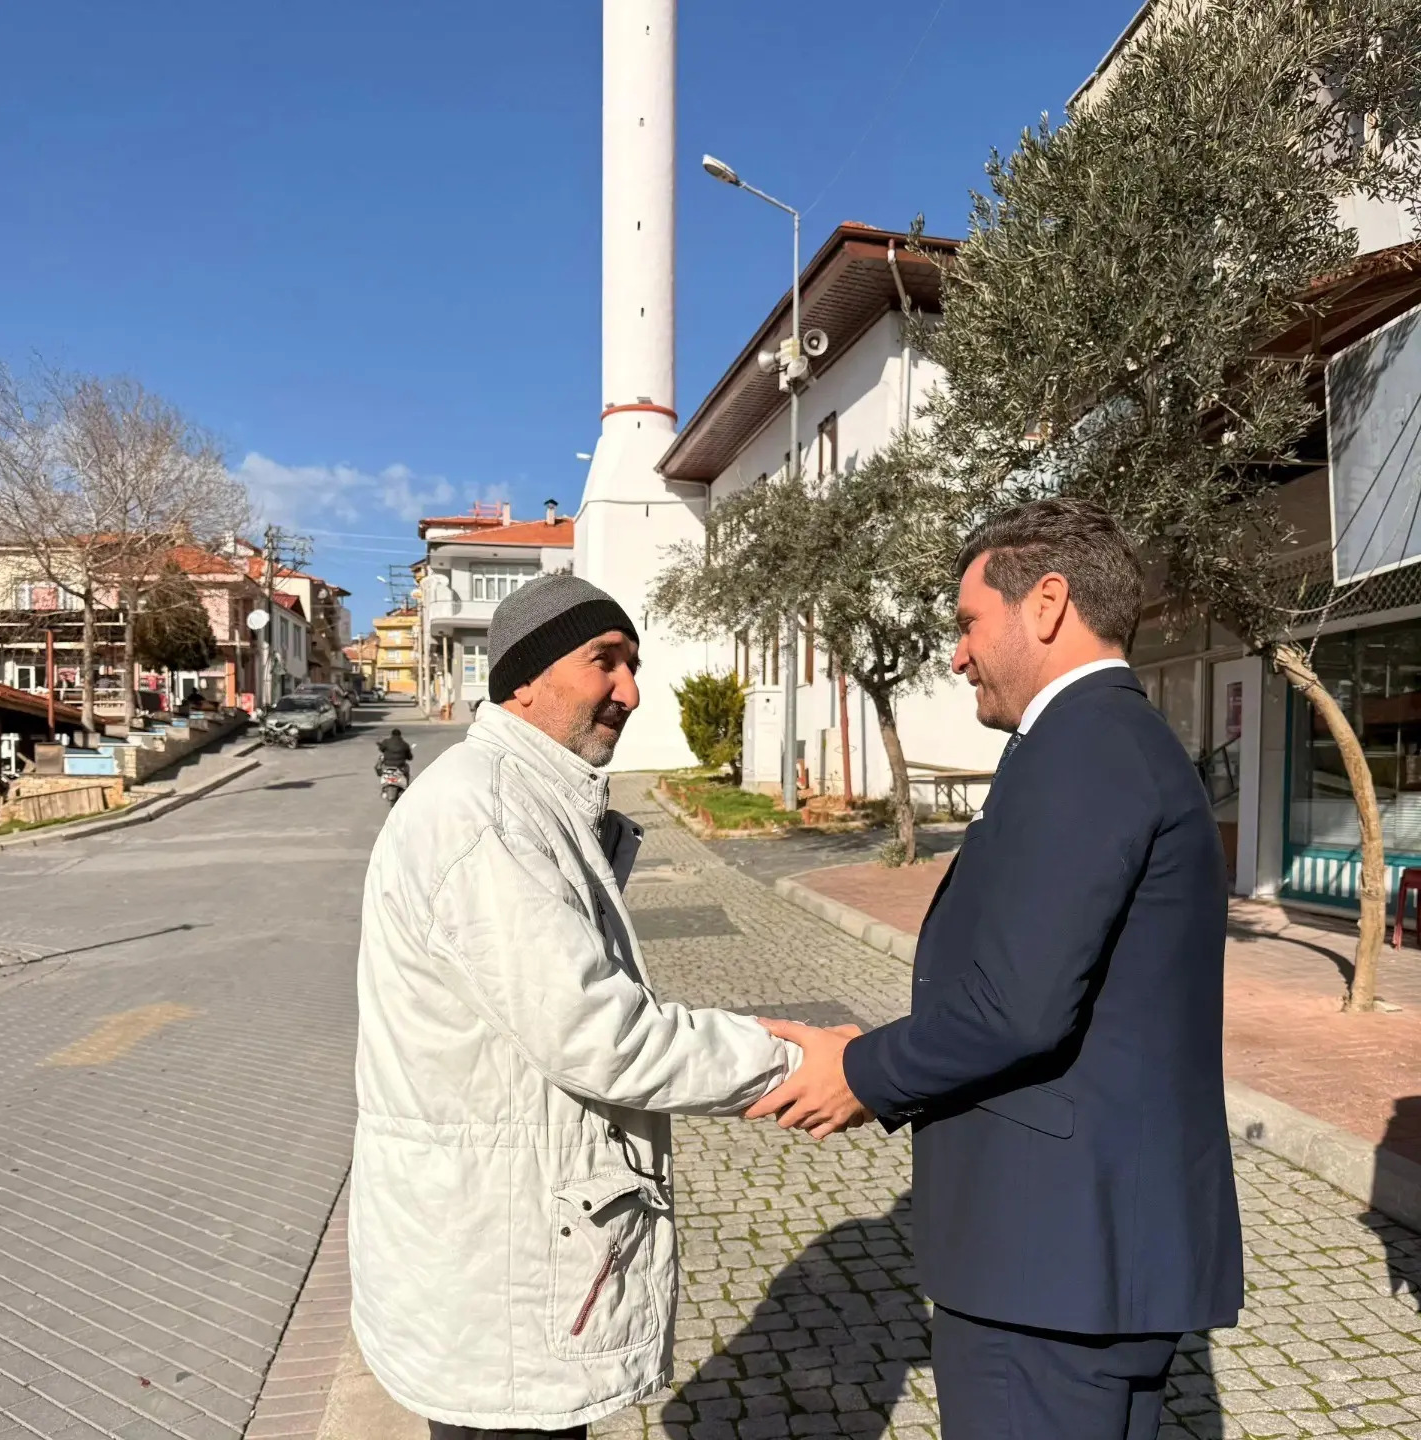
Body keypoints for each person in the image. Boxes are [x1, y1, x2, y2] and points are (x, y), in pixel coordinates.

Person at [750, 498, 1244, 1440]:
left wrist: (855, 1072)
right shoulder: (1096, 742)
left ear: (1047, 603)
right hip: (1074, 1259)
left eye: (969, 622)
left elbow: (1016, 1009)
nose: (958, 653)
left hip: (1048, 1267)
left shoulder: (1086, 745)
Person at [349, 574, 802, 1440]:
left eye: (633, 664)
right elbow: (602, 1036)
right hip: (498, 1271)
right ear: (524, 677)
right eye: (607, 661)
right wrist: (793, 1059)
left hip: (501, 1254)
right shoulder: (486, 819)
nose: (630, 691)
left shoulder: (523, 800)